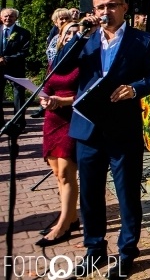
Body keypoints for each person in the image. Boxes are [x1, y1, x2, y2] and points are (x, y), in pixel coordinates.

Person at [54, 0, 150, 279]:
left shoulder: (142, 40)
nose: (106, 11)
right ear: (93, 11)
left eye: (113, 5)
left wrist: (135, 88)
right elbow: (59, 69)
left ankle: (127, 252)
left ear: (125, 8)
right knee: (90, 195)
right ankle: (95, 250)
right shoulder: (85, 40)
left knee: (127, 194)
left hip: (123, 129)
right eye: (101, 7)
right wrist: (78, 36)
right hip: (87, 129)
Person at [36, 22, 81, 248]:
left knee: (66, 173)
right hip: (52, 119)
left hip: (72, 118)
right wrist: (44, 99)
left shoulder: (85, 59)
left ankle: (63, 225)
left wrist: (61, 101)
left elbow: (88, 93)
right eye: (68, 33)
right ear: (61, 37)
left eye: (77, 32)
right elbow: (48, 87)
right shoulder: (56, 61)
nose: (72, 35)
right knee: (56, 173)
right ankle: (71, 217)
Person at [0, 8, 31, 129]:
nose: (8, 18)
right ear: (1, 18)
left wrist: (6, 59)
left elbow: (24, 52)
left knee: (18, 96)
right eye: (6, 16)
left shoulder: (24, 33)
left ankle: (18, 124)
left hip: (16, 68)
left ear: (16, 18)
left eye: (11, 16)